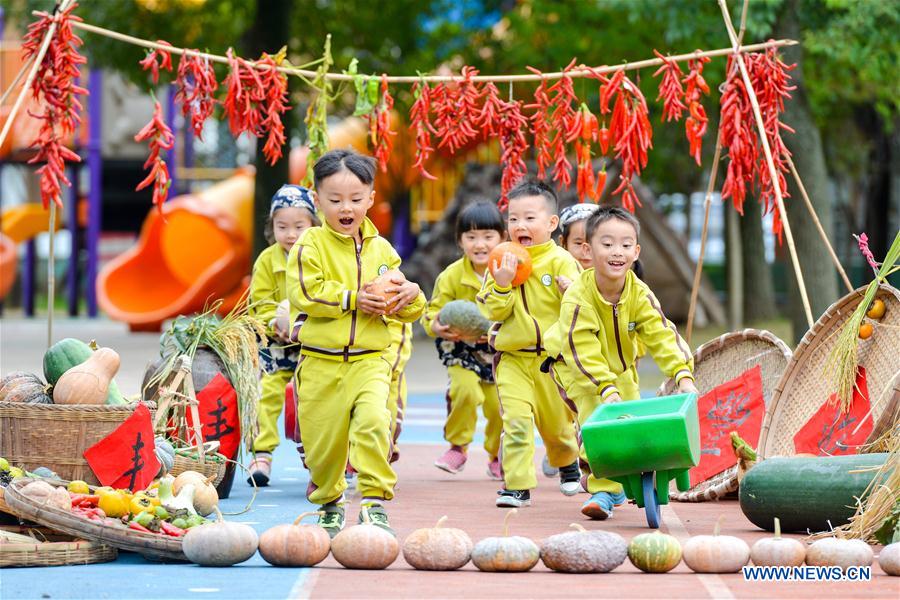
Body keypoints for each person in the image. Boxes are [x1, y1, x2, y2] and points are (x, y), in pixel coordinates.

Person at [286, 149, 425, 537]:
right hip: (320, 361)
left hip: (370, 361)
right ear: (317, 200)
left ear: (371, 197)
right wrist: (352, 299)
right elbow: (304, 293)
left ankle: (374, 501)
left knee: (374, 423)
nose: (345, 208)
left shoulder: (383, 251)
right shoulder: (309, 245)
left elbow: (406, 308)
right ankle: (329, 501)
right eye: (334, 200)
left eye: (355, 198)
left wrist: (412, 296)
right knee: (322, 441)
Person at [557, 206, 698, 520]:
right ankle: (604, 490)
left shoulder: (639, 293)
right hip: (583, 374)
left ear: (636, 252)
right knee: (598, 427)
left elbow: (661, 332)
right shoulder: (578, 296)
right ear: (588, 251)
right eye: (606, 244)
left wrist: (681, 373)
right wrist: (606, 389)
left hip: (623, 371)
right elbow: (582, 348)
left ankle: (635, 482)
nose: (616, 252)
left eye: (624, 245)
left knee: (632, 425)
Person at [477, 180, 582, 508]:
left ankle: (567, 461)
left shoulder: (561, 261)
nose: (520, 225)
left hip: (551, 362)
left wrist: (571, 293)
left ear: (551, 224)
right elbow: (491, 310)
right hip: (512, 359)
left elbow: (583, 303)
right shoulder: (500, 261)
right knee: (517, 422)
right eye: (513, 219)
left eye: (529, 218)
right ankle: (516, 486)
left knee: (557, 427)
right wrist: (503, 285)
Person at [421, 201, 504, 480]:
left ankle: (496, 454)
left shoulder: (509, 273)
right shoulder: (452, 275)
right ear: (460, 241)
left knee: (498, 405)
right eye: (471, 237)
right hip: (459, 347)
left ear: (502, 238)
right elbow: (432, 311)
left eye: (488, 236)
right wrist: (435, 325)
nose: (480, 244)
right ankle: (458, 446)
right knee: (465, 390)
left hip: (496, 350)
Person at [247, 184, 319, 486]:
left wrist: (306, 324)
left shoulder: (318, 256)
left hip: (313, 346)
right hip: (276, 346)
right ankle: (261, 454)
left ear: (314, 226)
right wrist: (275, 322)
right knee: (266, 395)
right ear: (271, 227)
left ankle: (320, 458)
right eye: (282, 226)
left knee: (314, 400)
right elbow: (258, 304)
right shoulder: (267, 260)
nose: (290, 234)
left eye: (299, 226)